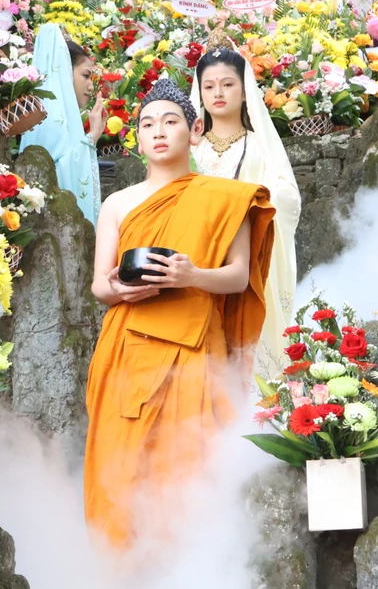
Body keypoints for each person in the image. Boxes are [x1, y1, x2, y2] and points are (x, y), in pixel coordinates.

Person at [84, 79, 276, 551]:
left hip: (195, 346)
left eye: (170, 121)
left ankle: (191, 564)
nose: (159, 132)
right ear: (136, 137)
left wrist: (189, 275)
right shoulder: (118, 202)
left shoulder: (227, 197)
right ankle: (120, 567)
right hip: (128, 344)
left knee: (190, 458)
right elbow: (99, 284)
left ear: (195, 130)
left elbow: (236, 277)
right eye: (148, 124)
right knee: (122, 459)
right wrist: (123, 291)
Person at [190, 30, 302, 382]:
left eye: (227, 84)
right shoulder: (191, 147)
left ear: (244, 91)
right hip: (198, 257)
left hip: (250, 259)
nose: (218, 94)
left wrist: (248, 203)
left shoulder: (259, 146)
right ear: (199, 92)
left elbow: (288, 198)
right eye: (209, 87)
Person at [19, 24, 108, 227]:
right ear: (65, 71)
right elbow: (56, 176)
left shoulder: (49, 113)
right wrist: (92, 137)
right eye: (85, 76)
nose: (90, 86)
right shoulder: (51, 118)